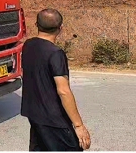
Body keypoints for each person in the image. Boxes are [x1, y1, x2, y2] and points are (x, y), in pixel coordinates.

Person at [21, 9, 91, 151]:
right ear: (61, 28)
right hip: (54, 120)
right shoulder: (55, 53)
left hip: (35, 115)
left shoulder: (28, 45)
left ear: (36, 24)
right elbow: (63, 91)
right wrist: (79, 126)